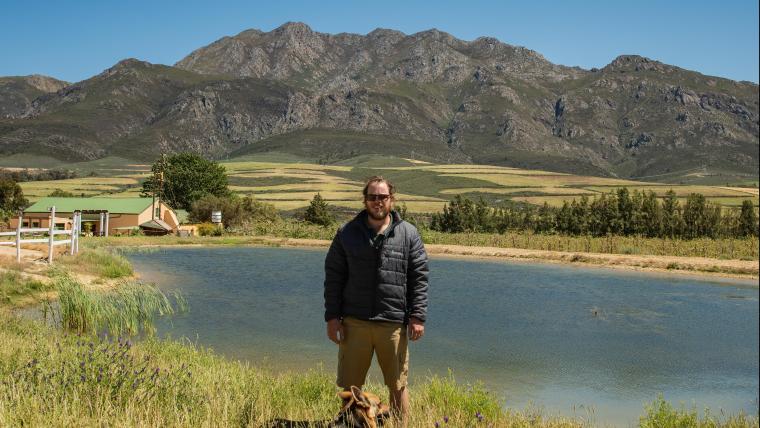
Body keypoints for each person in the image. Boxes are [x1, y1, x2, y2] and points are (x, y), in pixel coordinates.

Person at [324, 176, 429, 422]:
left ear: (392, 199)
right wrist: (332, 317)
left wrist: (417, 316)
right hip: (354, 323)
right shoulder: (346, 233)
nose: (377, 201)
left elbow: (419, 278)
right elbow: (333, 278)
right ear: (365, 200)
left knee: (398, 385)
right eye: (372, 197)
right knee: (350, 389)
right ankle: (348, 425)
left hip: (392, 323)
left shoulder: (409, 234)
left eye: (382, 196)